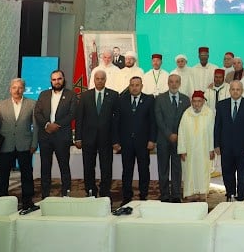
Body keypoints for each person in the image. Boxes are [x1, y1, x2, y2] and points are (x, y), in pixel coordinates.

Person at [0, 78, 38, 210]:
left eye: (20, 87)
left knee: (27, 174)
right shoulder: (1, 105)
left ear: (24, 89)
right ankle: (1, 201)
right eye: (14, 87)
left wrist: (34, 143)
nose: (17, 90)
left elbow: (36, 126)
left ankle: (27, 201)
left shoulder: (32, 104)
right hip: (6, 145)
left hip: (25, 144)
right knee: (3, 174)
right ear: (10, 89)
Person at [112, 77, 156, 205]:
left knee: (144, 170)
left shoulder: (149, 100)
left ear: (142, 86)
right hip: (126, 143)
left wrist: (152, 140)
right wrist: (115, 141)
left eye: (137, 85)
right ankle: (127, 197)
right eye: (132, 85)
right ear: (129, 86)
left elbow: (153, 121)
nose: (134, 87)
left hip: (143, 143)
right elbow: (116, 122)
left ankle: (143, 196)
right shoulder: (121, 100)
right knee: (127, 171)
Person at [33, 70, 77, 199]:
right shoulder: (43, 94)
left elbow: (72, 114)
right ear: (51, 81)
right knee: (45, 167)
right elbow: (37, 113)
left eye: (59, 79)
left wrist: (56, 125)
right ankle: (45, 195)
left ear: (64, 79)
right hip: (45, 135)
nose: (57, 82)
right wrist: (47, 125)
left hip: (62, 136)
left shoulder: (71, 95)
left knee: (64, 166)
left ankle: (66, 194)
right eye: (54, 79)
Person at [74, 70, 117, 198]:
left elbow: (116, 120)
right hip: (88, 138)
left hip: (106, 138)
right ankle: (90, 191)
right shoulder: (85, 96)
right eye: (97, 78)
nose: (99, 81)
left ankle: (105, 192)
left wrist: (116, 140)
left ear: (105, 80)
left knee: (106, 167)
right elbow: (79, 117)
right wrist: (78, 137)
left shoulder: (113, 95)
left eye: (102, 78)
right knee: (88, 166)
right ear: (94, 80)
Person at [214, 80, 244, 201]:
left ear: (242, 91)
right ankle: (230, 194)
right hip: (226, 146)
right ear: (229, 91)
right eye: (233, 89)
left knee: (242, 174)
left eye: (238, 89)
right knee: (227, 173)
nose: (235, 91)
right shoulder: (221, 105)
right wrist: (216, 144)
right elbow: (217, 126)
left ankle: (241, 196)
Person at [154, 74, 191, 202]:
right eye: (171, 82)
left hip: (179, 140)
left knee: (177, 168)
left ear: (180, 83)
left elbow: (187, 120)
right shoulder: (159, 98)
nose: (174, 84)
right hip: (163, 139)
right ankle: (164, 194)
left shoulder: (185, 100)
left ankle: (176, 195)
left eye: (176, 82)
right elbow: (158, 119)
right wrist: (169, 134)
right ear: (168, 83)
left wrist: (178, 134)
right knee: (163, 168)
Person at [177, 90, 215, 201]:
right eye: (194, 101)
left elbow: (212, 132)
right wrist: (182, 150)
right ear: (191, 102)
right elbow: (181, 132)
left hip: (204, 149)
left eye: (199, 101)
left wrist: (211, 149)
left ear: (203, 101)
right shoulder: (186, 114)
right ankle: (190, 192)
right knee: (189, 171)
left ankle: (203, 192)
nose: (196, 104)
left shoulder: (209, 113)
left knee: (203, 170)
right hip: (190, 150)